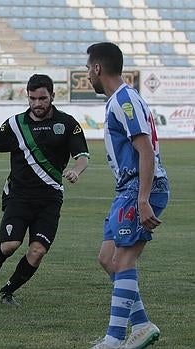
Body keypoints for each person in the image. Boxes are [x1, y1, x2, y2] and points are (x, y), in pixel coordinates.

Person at [0, 74, 89, 307]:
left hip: (50, 198)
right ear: (27, 97)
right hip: (18, 195)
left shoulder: (67, 123)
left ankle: (7, 292)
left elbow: (82, 157)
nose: (37, 104)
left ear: (52, 96)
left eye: (42, 98)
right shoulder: (16, 124)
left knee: (37, 251)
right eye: (32, 98)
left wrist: (76, 171)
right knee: (10, 245)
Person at [86, 43, 169, 349]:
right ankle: (142, 325)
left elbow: (145, 149)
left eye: (87, 68)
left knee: (124, 260)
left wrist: (144, 198)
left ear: (97, 68)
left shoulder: (124, 99)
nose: (87, 74)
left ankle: (113, 340)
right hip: (128, 188)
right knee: (108, 259)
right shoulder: (122, 98)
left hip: (138, 188)